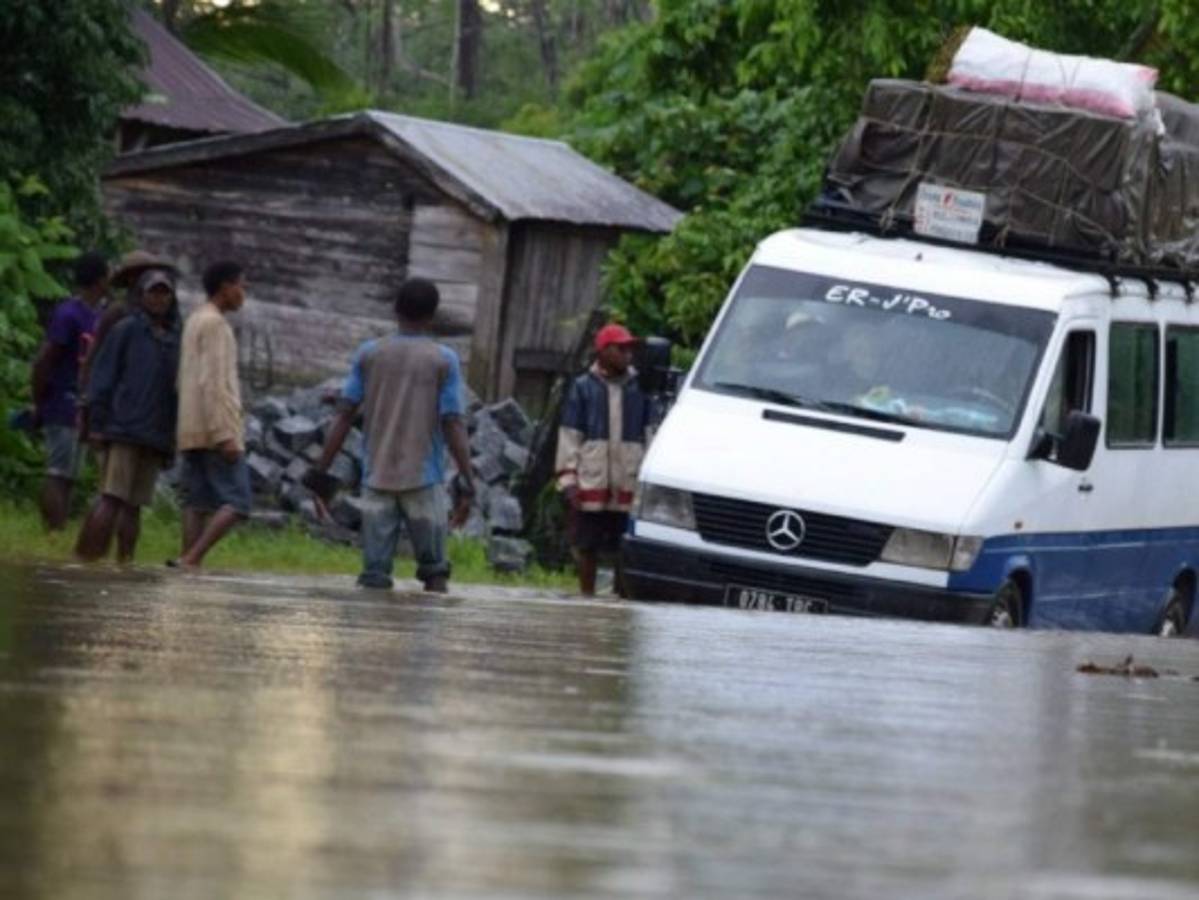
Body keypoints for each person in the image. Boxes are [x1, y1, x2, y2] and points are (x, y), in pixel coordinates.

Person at [307, 277, 473, 593]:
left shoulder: (369, 354)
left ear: (395, 310)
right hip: (424, 479)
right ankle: (430, 642)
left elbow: (343, 415)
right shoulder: (444, 359)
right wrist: (468, 478)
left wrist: (320, 472)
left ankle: (370, 642)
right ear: (432, 316)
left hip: (377, 478)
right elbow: (453, 422)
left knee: (374, 576)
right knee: (435, 572)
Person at [75, 268, 181, 562]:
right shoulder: (127, 329)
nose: (159, 299)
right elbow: (102, 378)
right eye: (153, 292)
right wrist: (96, 423)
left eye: (164, 292)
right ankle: (87, 560)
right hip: (123, 427)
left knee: (134, 505)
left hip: (155, 433)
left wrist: (170, 440)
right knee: (111, 497)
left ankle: (125, 562)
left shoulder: (174, 339)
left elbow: (175, 393)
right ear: (141, 295)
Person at [556, 323, 653, 597]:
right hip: (592, 480)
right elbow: (570, 436)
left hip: (627, 482)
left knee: (625, 547)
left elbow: (650, 435)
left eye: (629, 349)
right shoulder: (583, 387)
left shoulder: (640, 388)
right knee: (588, 546)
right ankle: (587, 599)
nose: (627, 354)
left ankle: (619, 600)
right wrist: (568, 480)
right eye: (620, 349)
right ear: (603, 351)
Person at [170, 261, 251, 569]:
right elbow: (214, 383)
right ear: (225, 287)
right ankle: (192, 558)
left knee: (198, 502)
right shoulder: (216, 324)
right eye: (241, 286)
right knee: (238, 502)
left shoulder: (195, 319)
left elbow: (185, 379)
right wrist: (225, 434)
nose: (243, 294)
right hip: (214, 428)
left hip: (192, 427)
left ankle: (185, 560)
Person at [30, 251, 108, 530]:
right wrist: (39, 402)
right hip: (62, 400)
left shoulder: (97, 315)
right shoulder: (69, 314)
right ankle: (53, 529)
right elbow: (44, 361)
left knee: (69, 473)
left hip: (81, 405)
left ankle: (57, 526)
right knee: (58, 471)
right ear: (101, 279)